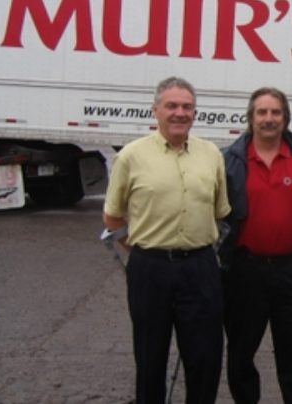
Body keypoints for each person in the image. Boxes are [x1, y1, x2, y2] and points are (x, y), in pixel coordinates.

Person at [103, 76, 231, 404]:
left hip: (201, 268)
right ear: (155, 111)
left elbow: (220, 210)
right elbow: (113, 217)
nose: (179, 113)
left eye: (187, 106)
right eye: (171, 106)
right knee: (150, 358)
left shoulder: (211, 154)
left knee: (204, 358)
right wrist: (145, 250)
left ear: (195, 112)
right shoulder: (131, 156)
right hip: (150, 268)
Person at [220, 86, 292, 404]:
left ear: (286, 118)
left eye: (275, 112)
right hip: (243, 272)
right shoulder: (230, 161)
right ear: (250, 118)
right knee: (240, 356)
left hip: (290, 272)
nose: (269, 119)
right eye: (261, 112)